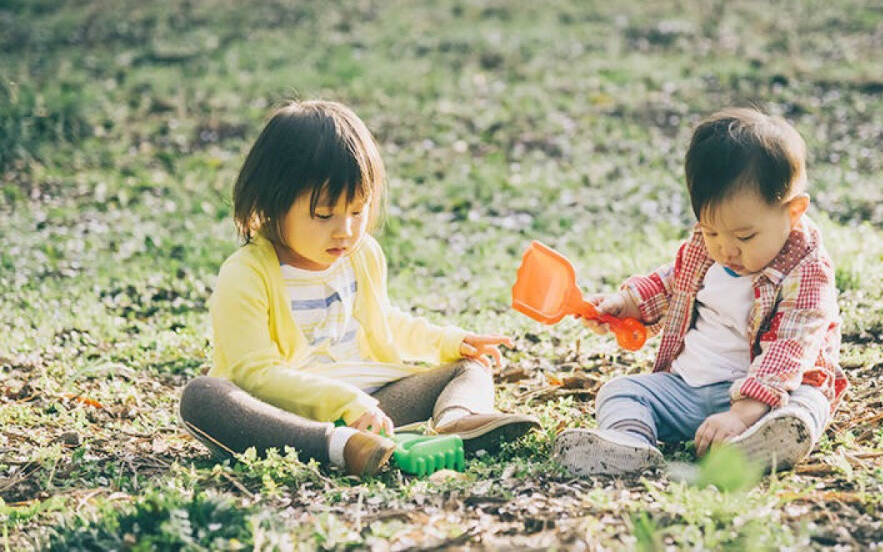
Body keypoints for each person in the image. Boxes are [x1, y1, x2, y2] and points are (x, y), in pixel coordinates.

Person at [179, 100, 539, 476]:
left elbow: (382, 320)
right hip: (285, 415)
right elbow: (255, 375)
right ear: (273, 202)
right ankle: (341, 448)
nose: (345, 230)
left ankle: (457, 423)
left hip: (372, 407)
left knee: (470, 368)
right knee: (203, 396)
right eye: (323, 215)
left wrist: (449, 342)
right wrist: (343, 402)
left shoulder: (361, 254)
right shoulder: (246, 274)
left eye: (357, 210)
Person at [552, 108, 848, 475]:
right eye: (710, 231)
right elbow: (672, 281)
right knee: (620, 391)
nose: (725, 249)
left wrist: (743, 412)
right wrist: (627, 304)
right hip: (689, 387)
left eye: (744, 237)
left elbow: (791, 348)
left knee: (809, 399)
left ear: (793, 212)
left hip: (769, 398)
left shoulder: (806, 270)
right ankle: (629, 445)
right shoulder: (706, 249)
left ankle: (763, 444)